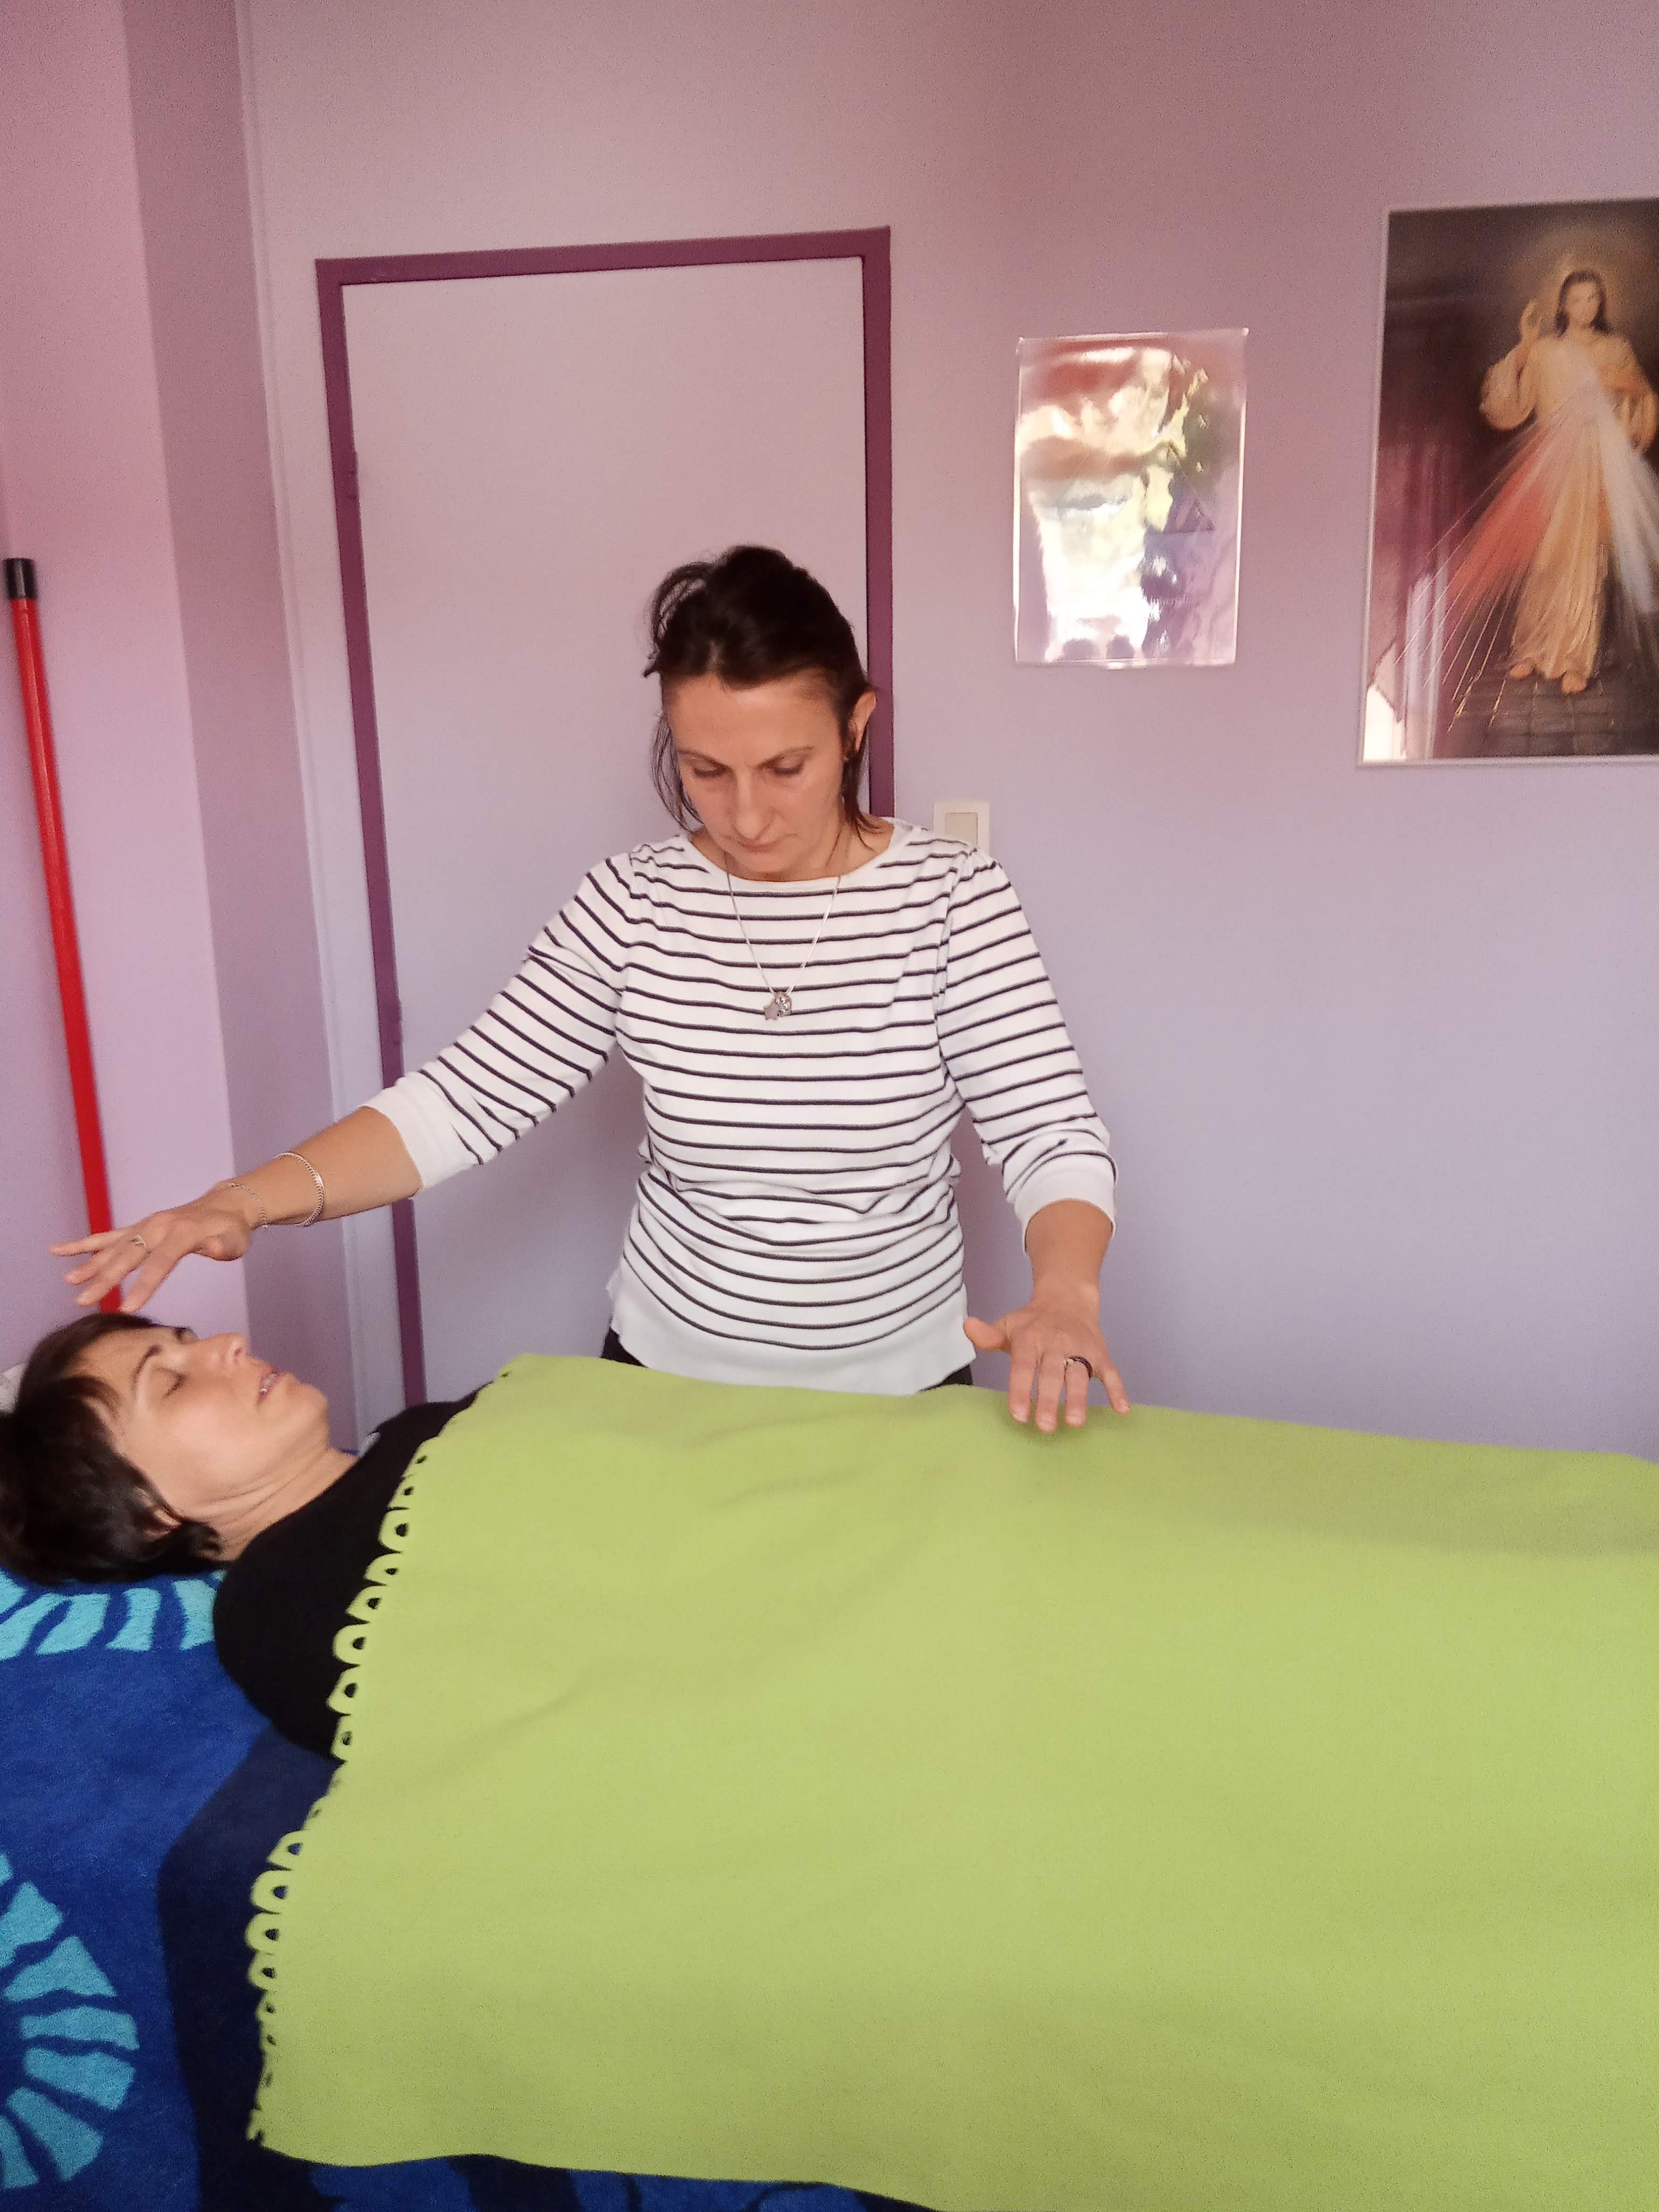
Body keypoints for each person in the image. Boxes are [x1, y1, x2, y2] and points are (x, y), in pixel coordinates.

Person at [53, 547, 1125, 1431]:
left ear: (855, 725)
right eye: (705, 772)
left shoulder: (954, 898)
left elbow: (1049, 1132)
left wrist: (1066, 1296)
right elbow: (464, 1101)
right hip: (665, 1379)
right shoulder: (632, 901)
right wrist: (242, 1200)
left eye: (785, 768)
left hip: (898, 1388)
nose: (747, 817)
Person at [0, 1311, 466, 1755]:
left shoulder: (412, 1431)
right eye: (172, 1383)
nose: (231, 1342)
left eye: (191, 1340)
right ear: (145, 1513)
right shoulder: (277, 1610)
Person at [1474, 269, 1659, 696]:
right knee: (1546, 556)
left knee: (1584, 558)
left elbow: (1643, 398)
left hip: (1595, 463)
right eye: (1577, 300)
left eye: (1593, 299)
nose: (1586, 307)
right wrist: (1525, 343)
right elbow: (1508, 404)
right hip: (1550, 463)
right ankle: (1531, 648)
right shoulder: (1545, 350)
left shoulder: (1616, 348)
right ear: (1563, 305)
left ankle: (1576, 656)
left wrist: (1623, 384)